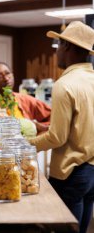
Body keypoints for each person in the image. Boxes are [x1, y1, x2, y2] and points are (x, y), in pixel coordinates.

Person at [29, 21, 94, 233]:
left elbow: (57, 137)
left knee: (62, 229)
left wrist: (26, 144)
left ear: (66, 47)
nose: (56, 52)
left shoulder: (64, 85)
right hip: (92, 170)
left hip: (71, 171)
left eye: (58, 45)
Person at [0, 61, 51, 134]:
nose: (6, 78)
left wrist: (38, 126)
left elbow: (53, 115)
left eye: (8, 73)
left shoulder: (25, 99)